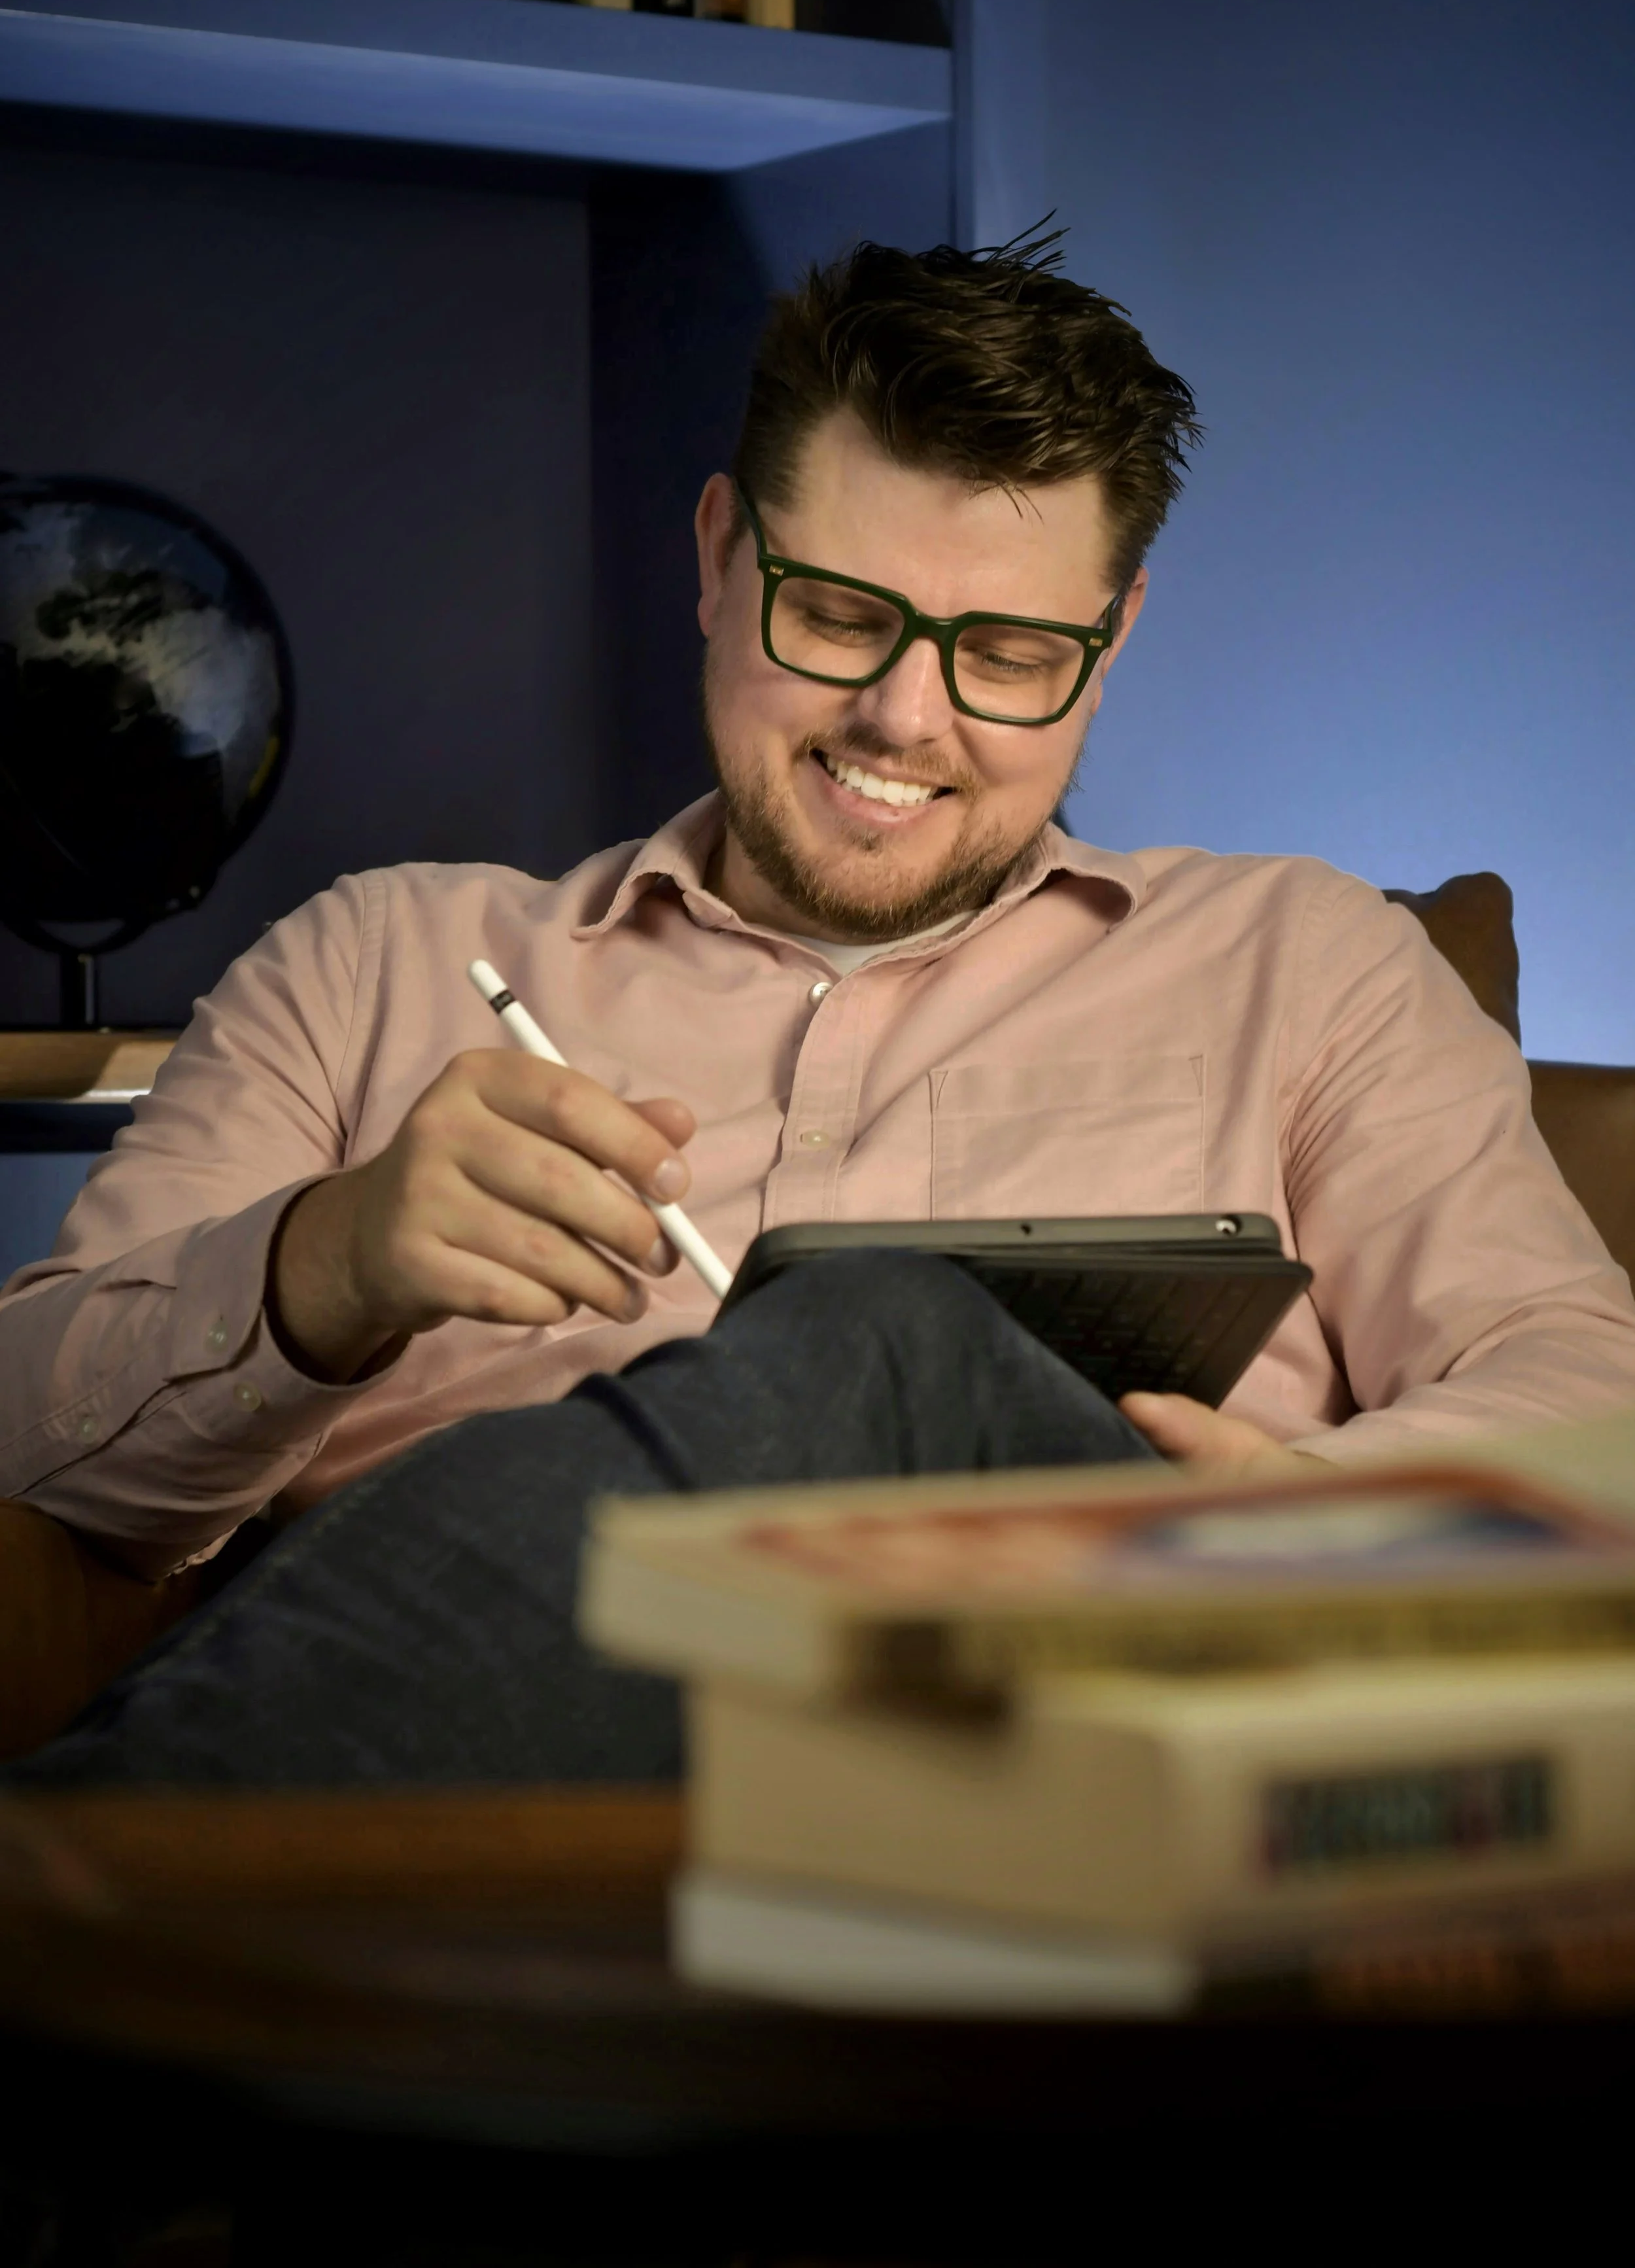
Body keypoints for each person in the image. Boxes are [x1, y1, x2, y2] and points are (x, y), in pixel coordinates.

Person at [5, 233, 1634, 1785]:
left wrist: (1279, 1523)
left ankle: (73, 1913)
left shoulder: (1310, 963)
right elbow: (27, 1437)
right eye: (843, 617)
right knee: (860, 1349)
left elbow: (1578, 1381)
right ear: (719, 557)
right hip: (490, 1817)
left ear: (1112, 636)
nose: (903, 717)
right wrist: (327, 1265)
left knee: (891, 1346)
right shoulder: (375, 965)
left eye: (1003, 652)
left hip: (1067, 1761)